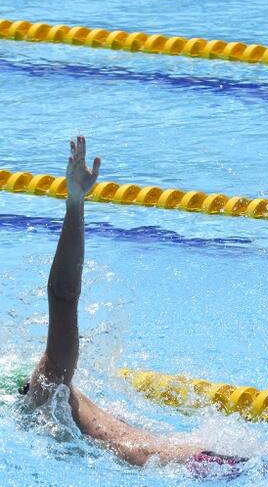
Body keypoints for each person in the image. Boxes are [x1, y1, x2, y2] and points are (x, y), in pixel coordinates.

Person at [17, 136, 245, 471]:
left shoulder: (45, 407)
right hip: (197, 464)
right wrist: (74, 203)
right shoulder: (46, 388)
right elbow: (63, 295)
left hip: (194, 465)